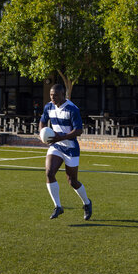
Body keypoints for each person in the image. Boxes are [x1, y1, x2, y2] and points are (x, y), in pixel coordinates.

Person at [39, 84, 92, 220]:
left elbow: (79, 130)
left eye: (55, 95)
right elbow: (43, 122)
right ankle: (58, 206)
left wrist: (61, 137)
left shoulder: (72, 109)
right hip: (56, 146)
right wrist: (42, 133)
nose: (53, 98)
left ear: (63, 95)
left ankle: (87, 203)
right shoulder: (49, 106)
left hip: (70, 148)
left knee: (72, 181)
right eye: (51, 95)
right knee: (49, 173)